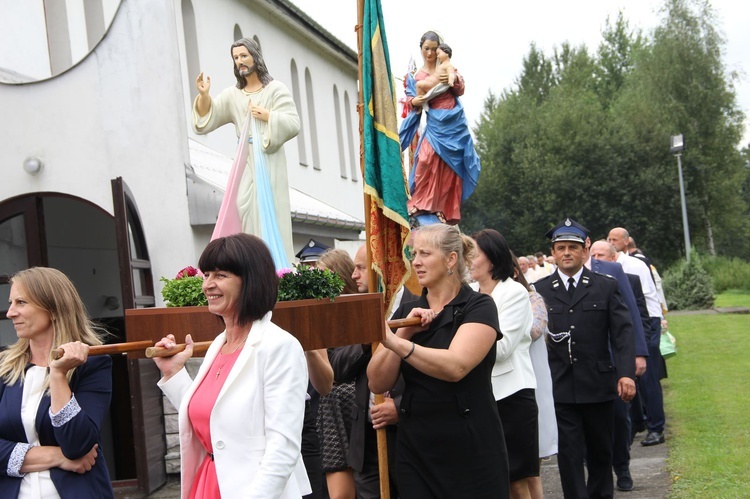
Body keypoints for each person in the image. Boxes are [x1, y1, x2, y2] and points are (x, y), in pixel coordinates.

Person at [153, 233, 310, 498]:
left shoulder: (279, 346)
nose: (207, 285)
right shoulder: (219, 344)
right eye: (206, 275)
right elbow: (215, 420)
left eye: (220, 275)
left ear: (250, 281)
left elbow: (283, 448)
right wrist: (173, 373)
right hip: (208, 484)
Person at [367, 224, 509, 498]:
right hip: (417, 449)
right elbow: (377, 380)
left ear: (451, 259)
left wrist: (396, 341)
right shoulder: (408, 310)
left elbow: (456, 366)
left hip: (469, 446)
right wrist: (406, 328)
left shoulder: (478, 306)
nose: (416, 262)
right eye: (413, 253)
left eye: (425, 254)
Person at [535, 219, 636, 499]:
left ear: (584, 252)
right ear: (553, 253)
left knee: (600, 451)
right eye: (560, 248)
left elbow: (622, 333)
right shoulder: (540, 290)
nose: (566, 252)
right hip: (560, 385)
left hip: (598, 383)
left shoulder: (605, 286)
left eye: (573, 247)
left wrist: (626, 373)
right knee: (568, 454)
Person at [0, 267, 114, 498]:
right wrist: (58, 457)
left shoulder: (93, 364)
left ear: (53, 309)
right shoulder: (4, 367)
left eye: (21, 302)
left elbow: (77, 444)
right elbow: (71, 455)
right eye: (11, 303)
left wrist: (58, 375)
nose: (10, 312)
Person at [194, 38, 301, 263]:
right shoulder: (233, 95)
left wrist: (269, 116)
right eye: (235, 58)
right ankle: (253, 261)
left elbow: (293, 123)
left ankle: (274, 263)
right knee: (244, 205)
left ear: (255, 56)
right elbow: (207, 119)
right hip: (246, 159)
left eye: (244, 56)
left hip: (269, 158)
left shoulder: (275, 90)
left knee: (268, 209)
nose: (240, 61)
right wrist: (204, 96)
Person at [330, 244, 412, 499]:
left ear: (382, 269)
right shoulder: (356, 309)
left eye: (361, 268)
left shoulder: (415, 305)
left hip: (408, 437)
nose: (354, 275)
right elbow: (338, 369)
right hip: (366, 442)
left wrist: (399, 406)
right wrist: (367, 341)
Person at [470, 229, 538, 499]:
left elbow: (503, 348)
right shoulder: (470, 293)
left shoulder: (515, 293)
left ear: (493, 258)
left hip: (512, 396)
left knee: (516, 480)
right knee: (488, 479)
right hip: (480, 397)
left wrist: (463, 349)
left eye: (474, 254)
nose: (469, 260)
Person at [399, 31, 481, 226]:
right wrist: (415, 101)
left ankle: (441, 207)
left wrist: (455, 80)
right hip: (435, 121)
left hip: (453, 121)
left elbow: (459, 89)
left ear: (440, 50)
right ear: (421, 49)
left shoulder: (446, 67)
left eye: (434, 49)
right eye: (426, 49)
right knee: (426, 159)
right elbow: (411, 100)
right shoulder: (415, 76)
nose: (429, 53)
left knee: (447, 168)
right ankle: (420, 203)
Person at [608, 227, 666, 447]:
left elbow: (646, 299)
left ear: (625, 242)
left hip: (646, 321)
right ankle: (638, 420)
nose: (611, 241)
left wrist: (654, 325)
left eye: (615, 239)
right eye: (609, 238)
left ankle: (656, 427)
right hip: (625, 324)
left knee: (649, 377)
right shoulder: (610, 266)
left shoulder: (635, 265)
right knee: (628, 375)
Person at [313, 249, 359, 499]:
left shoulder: (357, 313)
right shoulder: (318, 315)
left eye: (324, 279)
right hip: (326, 409)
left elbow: (339, 368)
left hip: (347, 406)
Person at [511, 261, 557, 499]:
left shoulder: (532, 299)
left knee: (530, 465)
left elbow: (534, 330)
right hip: (503, 386)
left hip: (531, 383)